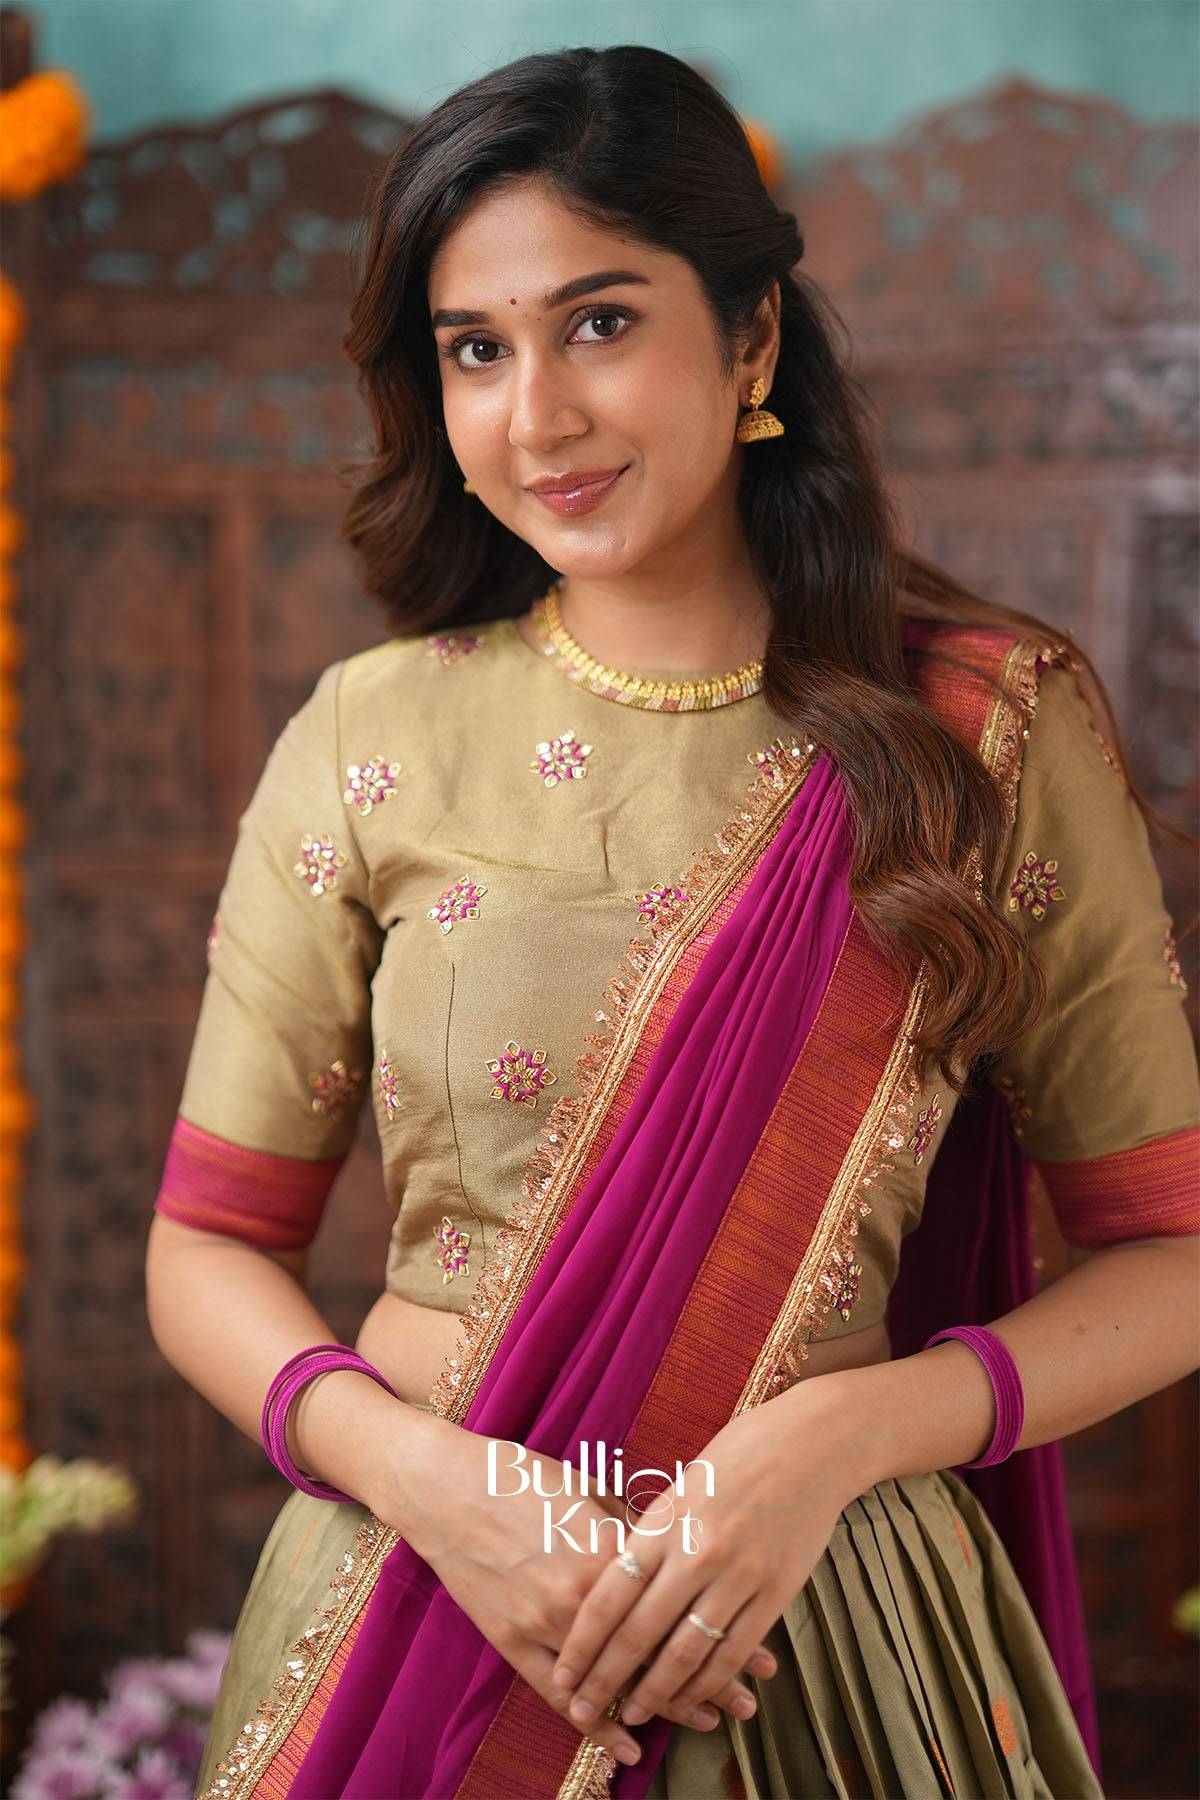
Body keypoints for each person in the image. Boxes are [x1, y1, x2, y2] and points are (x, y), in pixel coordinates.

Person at [143, 44, 1200, 1800]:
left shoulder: (986, 728)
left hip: (819, 1638)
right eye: (475, 349)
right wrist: (432, 1492)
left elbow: (1174, 1255)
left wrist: (846, 1435)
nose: (536, 415)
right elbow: (204, 1248)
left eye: (602, 323)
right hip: (417, 1615)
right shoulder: (369, 734)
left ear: (755, 337)